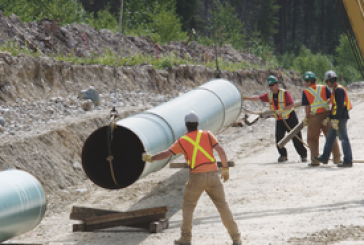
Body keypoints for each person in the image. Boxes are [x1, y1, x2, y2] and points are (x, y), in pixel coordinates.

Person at [142, 111, 242, 245]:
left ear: (186, 126)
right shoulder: (208, 134)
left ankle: (186, 238)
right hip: (213, 175)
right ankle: (236, 238)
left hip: (197, 177)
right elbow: (221, 151)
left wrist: (150, 158)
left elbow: (166, 154)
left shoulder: (182, 141)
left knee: (188, 207)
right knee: (223, 206)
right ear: (198, 124)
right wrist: (225, 168)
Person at [244, 75, 307, 163]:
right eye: (270, 85)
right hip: (280, 119)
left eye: (273, 84)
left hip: (290, 118)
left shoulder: (285, 93)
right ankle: (283, 155)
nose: (271, 87)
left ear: (277, 84)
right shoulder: (269, 95)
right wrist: (246, 98)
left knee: (296, 138)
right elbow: (258, 98)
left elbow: (292, 105)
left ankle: (303, 155)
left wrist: (282, 110)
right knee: (279, 139)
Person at [301, 71, 341, 167]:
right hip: (327, 115)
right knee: (331, 137)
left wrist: (307, 118)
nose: (305, 83)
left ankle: (315, 160)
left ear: (310, 81)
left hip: (314, 117)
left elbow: (307, 107)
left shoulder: (306, 92)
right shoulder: (323, 87)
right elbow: (331, 99)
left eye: (306, 81)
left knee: (312, 138)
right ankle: (337, 158)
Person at [314, 70, 353, 167]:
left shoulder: (338, 90)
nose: (326, 84)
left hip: (341, 118)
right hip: (337, 117)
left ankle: (348, 160)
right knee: (330, 138)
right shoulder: (335, 90)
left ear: (329, 81)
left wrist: (336, 119)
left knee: (343, 139)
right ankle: (325, 157)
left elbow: (340, 106)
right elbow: (334, 107)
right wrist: (329, 118)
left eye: (326, 81)